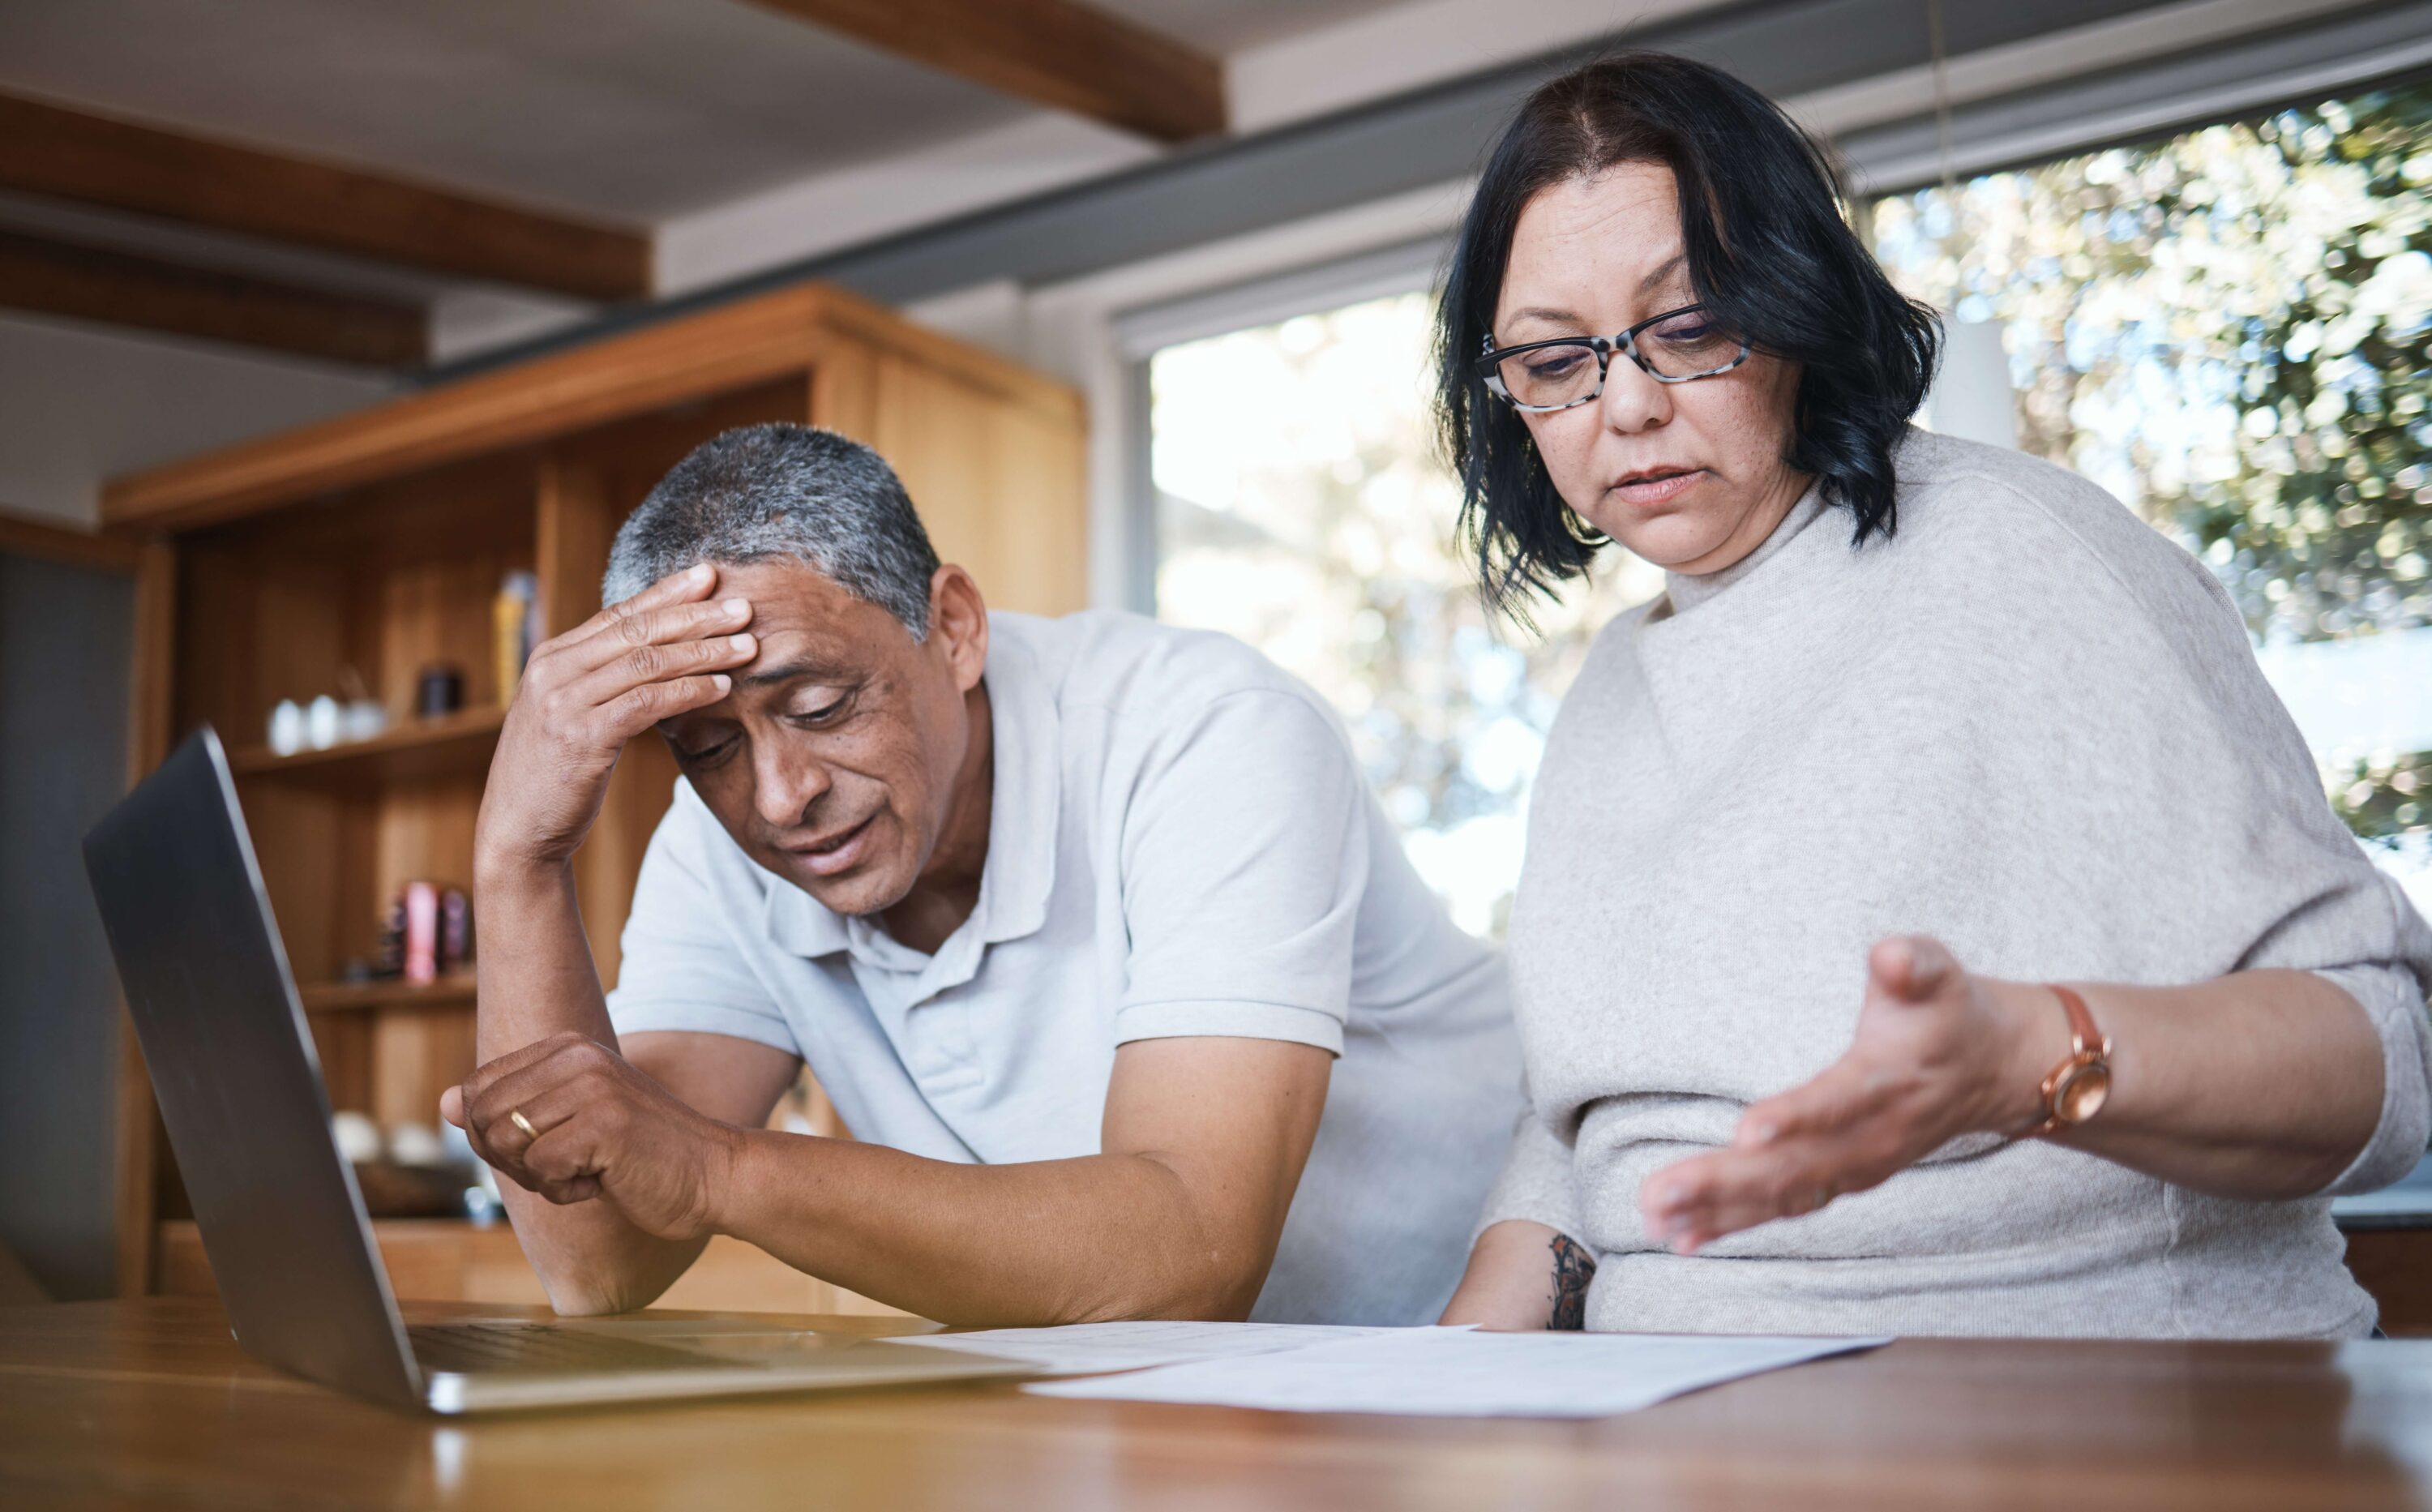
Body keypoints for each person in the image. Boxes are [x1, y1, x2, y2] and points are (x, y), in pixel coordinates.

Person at [1432, 52, 2432, 1339]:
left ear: (1796, 305)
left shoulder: (2026, 560)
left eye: (1686, 327)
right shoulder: (1608, 695)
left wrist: (2026, 1059)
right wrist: (1444, 1388)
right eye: (1555, 358)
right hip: (1673, 1422)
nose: (1624, 403)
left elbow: (2384, 1059)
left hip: (2073, 1400)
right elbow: (1587, 1133)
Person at [440, 422, 1518, 1327]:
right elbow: (596, 1263)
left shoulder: (1206, 734)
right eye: (708, 747)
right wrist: (517, 860)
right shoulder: (721, 841)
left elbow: (1195, 1246)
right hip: (1154, 1399)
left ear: (953, 628)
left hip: (1487, 1360)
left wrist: (720, 1170)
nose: (778, 795)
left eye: (819, 706)